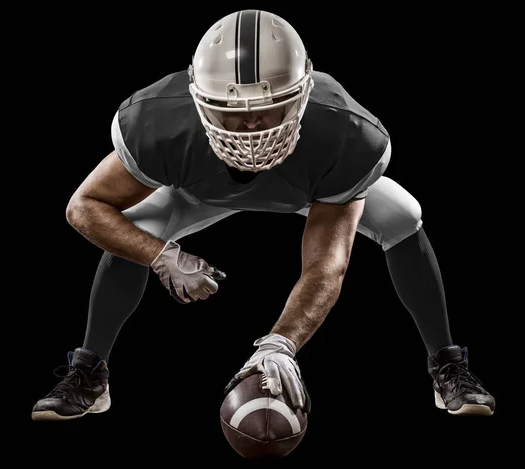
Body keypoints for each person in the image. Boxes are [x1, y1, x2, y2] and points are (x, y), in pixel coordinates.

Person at [31, 9, 495, 421]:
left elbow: (325, 266)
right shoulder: (158, 123)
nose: (253, 127)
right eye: (232, 113)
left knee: (402, 216)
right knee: (137, 229)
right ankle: (90, 374)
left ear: (305, 93)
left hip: (309, 188)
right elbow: (84, 207)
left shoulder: (347, 135)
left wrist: (281, 344)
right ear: (197, 100)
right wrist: (161, 256)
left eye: (273, 109)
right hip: (197, 189)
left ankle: (447, 363)